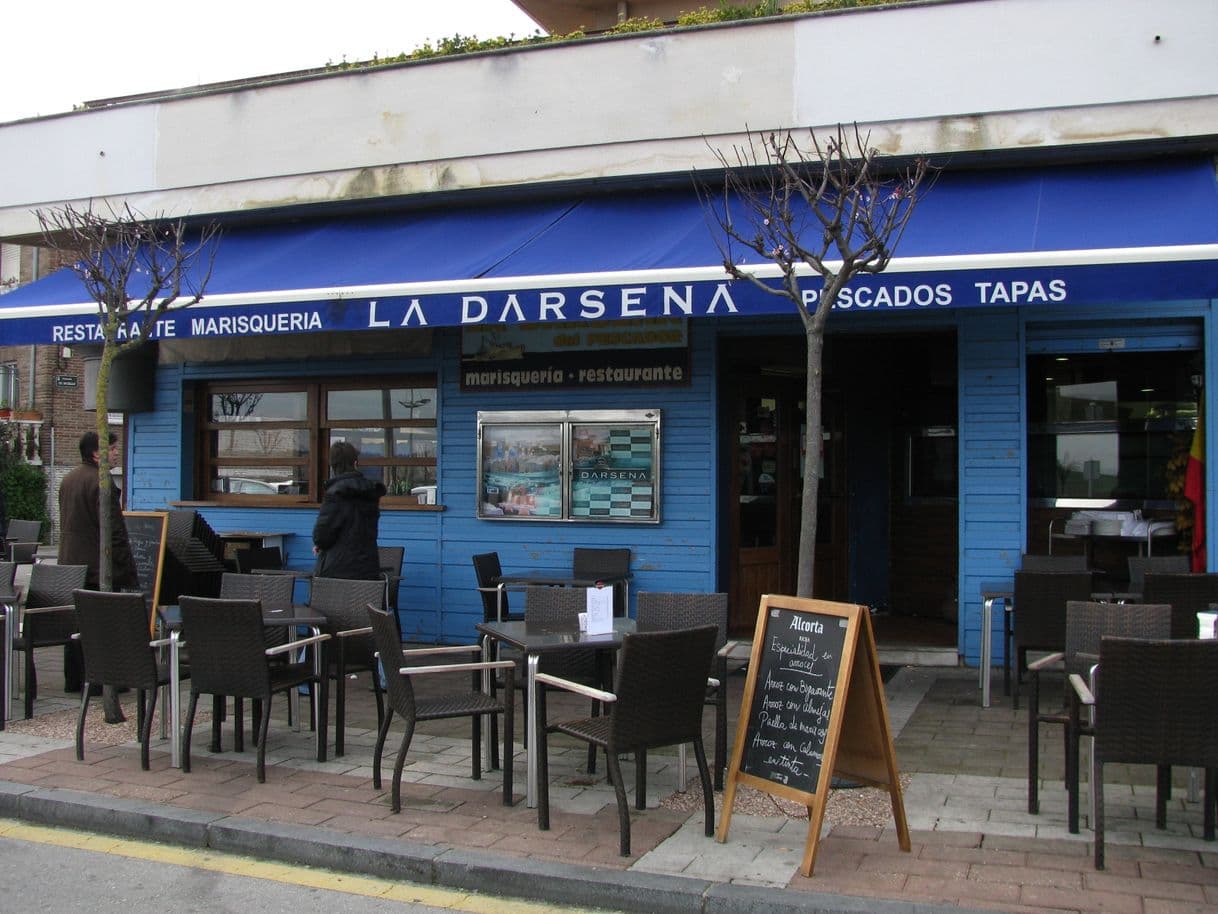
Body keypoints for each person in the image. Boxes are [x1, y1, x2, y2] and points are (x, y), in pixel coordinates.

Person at [58, 431, 138, 714]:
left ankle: (74, 679)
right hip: (97, 566)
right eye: (113, 448)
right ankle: (103, 680)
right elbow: (114, 532)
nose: (117, 453)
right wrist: (127, 569)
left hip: (70, 563)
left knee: (77, 622)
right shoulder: (102, 484)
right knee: (103, 623)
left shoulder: (68, 480)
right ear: (97, 453)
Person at [312, 441, 385, 581]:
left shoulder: (335, 494)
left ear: (333, 466)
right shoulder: (369, 492)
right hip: (368, 568)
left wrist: (320, 545)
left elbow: (322, 535)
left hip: (337, 571)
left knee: (324, 603)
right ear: (355, 463)